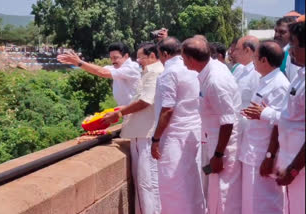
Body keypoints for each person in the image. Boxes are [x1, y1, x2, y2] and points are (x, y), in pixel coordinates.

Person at [242, 21, 305, 214]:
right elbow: (287, 119)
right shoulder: (299, 76)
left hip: (298, 166)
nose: (290, 50)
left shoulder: (282, 82)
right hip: (288, 161)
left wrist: (293, 168)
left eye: (293, 43)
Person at [102, 42, 164, 214]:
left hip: (146, 134)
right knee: (147, 183)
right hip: (143, 132)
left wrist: (120, 113)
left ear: (152, 56)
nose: (139, 61)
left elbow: (145, 101)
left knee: (147, 183)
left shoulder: (154, 73)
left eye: (141, 57)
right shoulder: (150, 72)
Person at [182, 37, 242, 214]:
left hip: (225, 146)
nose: (182, 62)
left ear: (191, 60)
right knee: (217, 194)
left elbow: (228, 120)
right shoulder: (212, 67)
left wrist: (218, 155)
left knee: (224, 197)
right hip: (217, 141)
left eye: (183, 58)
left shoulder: (215, 81)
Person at [151, 37, 205, 214]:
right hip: (193, 132)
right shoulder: (191, 70)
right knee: (191, 184)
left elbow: (167, 109)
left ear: (165, 54)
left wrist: (156, 138)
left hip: (174, 136)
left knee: (172, 187)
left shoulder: (170, 72)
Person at [239, 40, 289, 214]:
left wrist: (269, 156)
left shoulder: (280, 85)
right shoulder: (265, 80)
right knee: (251, 205)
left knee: (266, 205)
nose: (252, 59)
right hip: (252, 152)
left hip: (263, 155)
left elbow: (281, 124)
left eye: (255, 56)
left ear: (264, 61)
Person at [57, 42, 141, 106]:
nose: (113, 61)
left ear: (126, 56)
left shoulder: (132, 68)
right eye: (111, 58)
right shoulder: (116, 68)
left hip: (138, 113)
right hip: (127, 114)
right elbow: (98, 71)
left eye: (115, 57)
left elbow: (102, 72)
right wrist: (76, 63)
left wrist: (79, 62)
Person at [274, 17, 300, 81]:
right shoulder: (278, 52)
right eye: (276, 31)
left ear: (293, 34)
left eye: (282, 32)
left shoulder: (292, 55)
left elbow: (293, 82)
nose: (276, 35)